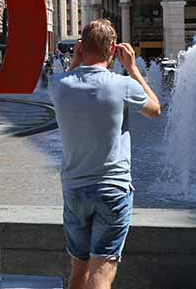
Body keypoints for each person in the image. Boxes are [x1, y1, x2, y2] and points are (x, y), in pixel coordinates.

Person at [50, 20, 162, 289]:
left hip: (75, 189)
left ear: (80, 47)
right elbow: (155, 109)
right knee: (102, 272)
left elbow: (69, 75)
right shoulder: (122, 84)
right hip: (112, 189)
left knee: (79, 269)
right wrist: (133, 68)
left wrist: (75, 60)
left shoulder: (60, 84)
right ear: (113, 49)